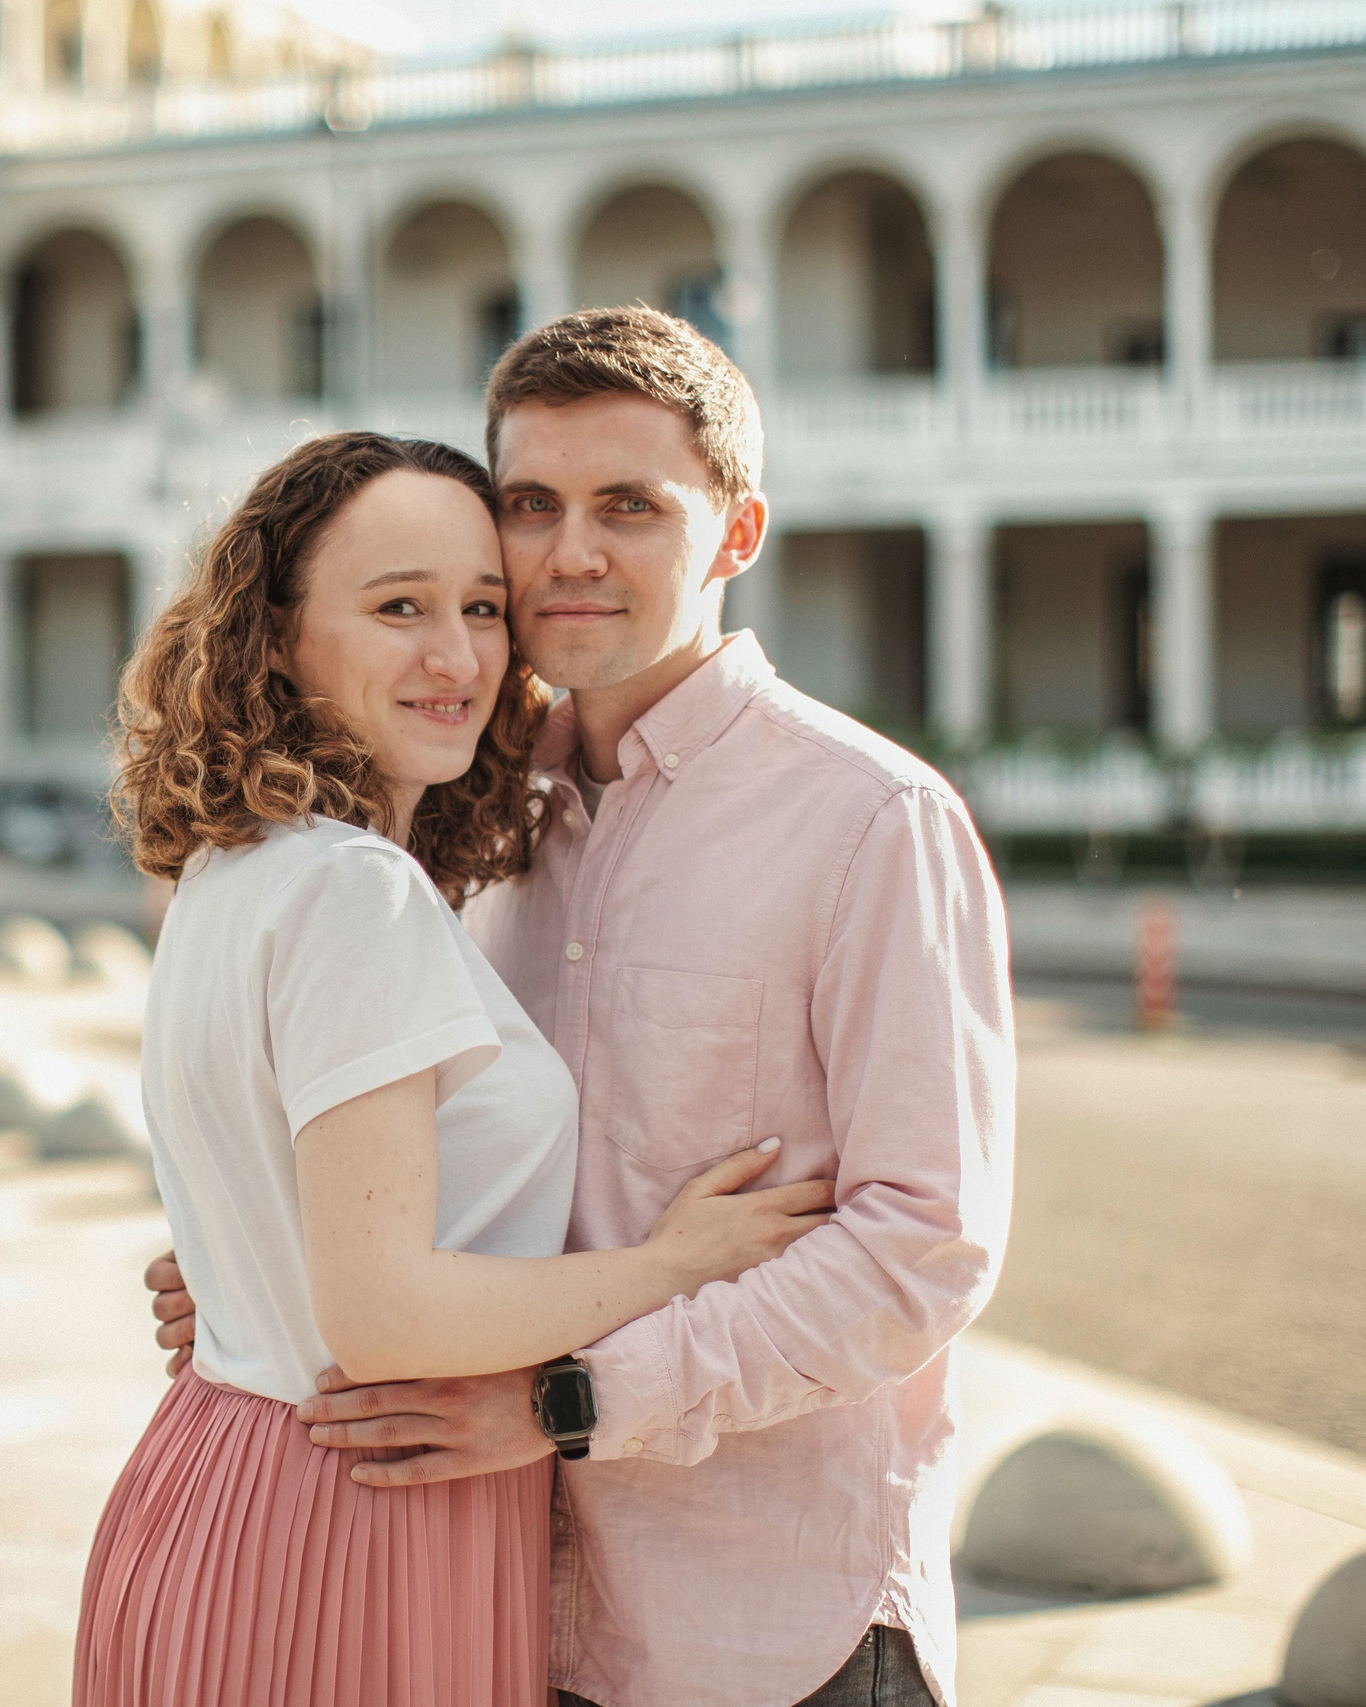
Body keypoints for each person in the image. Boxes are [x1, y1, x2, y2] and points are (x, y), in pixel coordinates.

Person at [148, 307, 1016, 1707]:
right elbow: (429, 1161)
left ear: (735, 535)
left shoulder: (874, 822)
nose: (570, 552)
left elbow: (925, 1246)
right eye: (534, 505)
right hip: (485, 1601)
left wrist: (571, 1402)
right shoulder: (470, 811)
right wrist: (264, 1260)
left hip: (762, 1625)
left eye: (632, 507)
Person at [77, 430, 836, 1707]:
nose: (458, 656)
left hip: (220, 1474)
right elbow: (382, 1318)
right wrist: (670, 1267)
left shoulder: (234, 863)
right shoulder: (352, 889)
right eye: (398, 609)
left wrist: (231, 1277)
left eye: (482, 608)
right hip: (354, 1515)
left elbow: (290, 1228)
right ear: (274, 638)